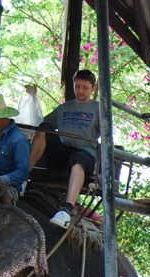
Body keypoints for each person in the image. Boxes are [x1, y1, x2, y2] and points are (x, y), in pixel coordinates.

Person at [29, 70, 101, 227]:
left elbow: (108, 135)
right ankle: (23, 176)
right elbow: (41, 126)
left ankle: (67, 209)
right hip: (61, 152)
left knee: (78, 160)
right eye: (77, 86)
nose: (80, 91)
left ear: (93, 88)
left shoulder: (98, 109)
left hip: (84, 152)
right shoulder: (63, 108)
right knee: (45, 127)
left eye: (85, 87)